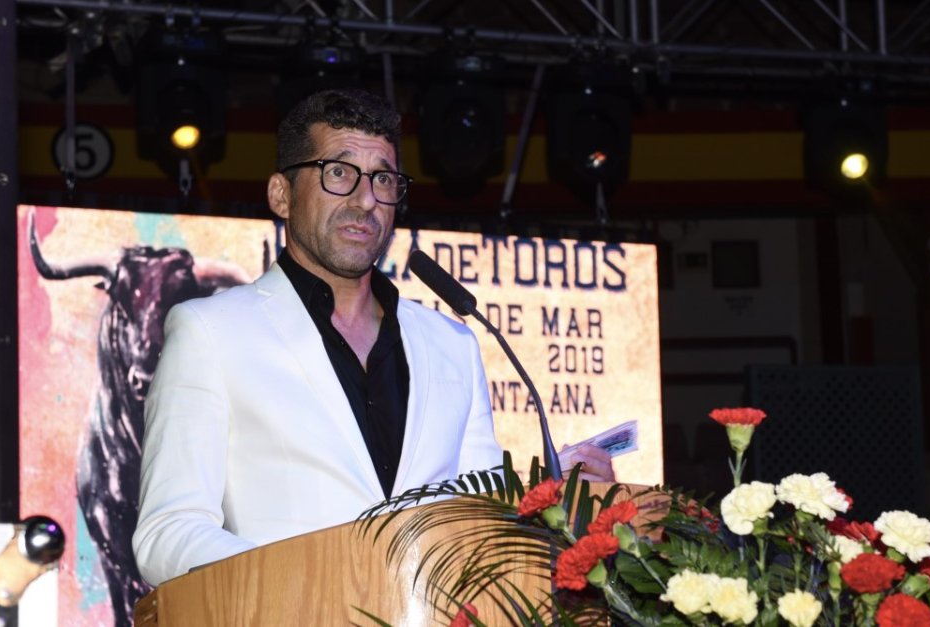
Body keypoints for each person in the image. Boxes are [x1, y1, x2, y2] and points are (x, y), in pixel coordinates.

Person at [133, 89, 612, 587]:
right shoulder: (211, 332)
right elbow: (168, 535)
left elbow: (476, 525)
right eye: (338, 172)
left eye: (382, 178)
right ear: (281, 195)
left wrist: (551, 501)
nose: (366, 201)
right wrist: (317, 584)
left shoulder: (452, 343)